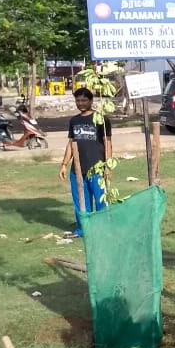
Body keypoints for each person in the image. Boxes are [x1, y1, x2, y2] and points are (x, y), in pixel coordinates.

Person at [58, 87, 112, 237]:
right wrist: (64, 164)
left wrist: (107, 166)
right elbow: (71, 144)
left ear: (91, 101)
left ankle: (104, 229)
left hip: (97, 169)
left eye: (84, 100)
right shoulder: (74, 121)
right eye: (78, 100)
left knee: (101, 201)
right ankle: (83, 230)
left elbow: (107, 143)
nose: (80, 103)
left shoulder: (101, 119)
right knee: (81, 202)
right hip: (77, 170)